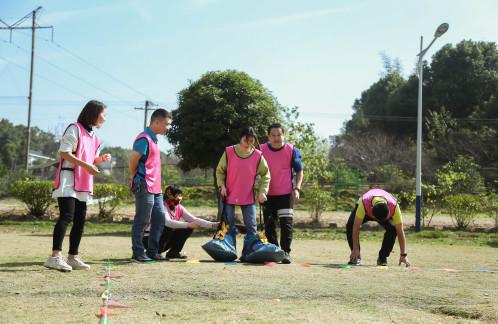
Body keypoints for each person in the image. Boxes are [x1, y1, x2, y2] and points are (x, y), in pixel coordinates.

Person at [44, 100, 111, 272]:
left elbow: (89, 158)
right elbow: (64, 153)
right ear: (94, 113)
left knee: (80, 220)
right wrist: (87, 166)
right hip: (68, 178)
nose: (104, 119)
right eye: (103, 115)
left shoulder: (95, 138)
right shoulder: (74, 128)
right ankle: (54, 257)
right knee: (67, 216)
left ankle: (73, 257)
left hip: (84, 181)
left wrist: (100, 159)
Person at [216, 127, 270, 259]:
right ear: (240, 138)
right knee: (227, 225)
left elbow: (266, 174)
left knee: (252, 226)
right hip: (228, 194)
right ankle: (227, 252)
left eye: (252, 140)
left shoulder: (258, 155)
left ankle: (249, 253)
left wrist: (263, 192)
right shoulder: (229, 151)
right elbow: (220, 170)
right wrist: (221, 185)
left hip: (248, 196)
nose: (249, 142)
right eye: (246, 139)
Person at [129, 108, 174, 262]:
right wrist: (137, 177)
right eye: (167, 124)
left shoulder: (154, 139)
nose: (168, 128)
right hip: (144, 185)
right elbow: (133, 161)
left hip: (156, 188)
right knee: (142, 219)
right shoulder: (144, 138)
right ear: (157, 121)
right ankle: (138, 252)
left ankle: (153, 251)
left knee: (160, 218)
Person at [260, 123, 303, 264]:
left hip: (286, 194)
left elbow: (299, 171)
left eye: (279, 134)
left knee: (286, 224)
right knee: (269, 225)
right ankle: (275, 252)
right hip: (267, 194)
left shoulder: (291, 150)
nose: (276, 138)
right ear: (268, 136)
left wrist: (297, 188)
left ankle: (285, 253)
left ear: (283, 135)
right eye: (273, 135)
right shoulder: (261, 150)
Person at [142, 184, 218, 259]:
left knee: (187, 228)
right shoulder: (162, 205)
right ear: (170, 196)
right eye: (177, 195)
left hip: (162, 239)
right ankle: (154, 252)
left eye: (180, 195)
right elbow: (168, 222)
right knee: (169, 227)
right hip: (148, 239)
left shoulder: (179, 208)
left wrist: (213, 225)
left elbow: (194, 220)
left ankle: (173, 253)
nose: (179, 198)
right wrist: (188, 224)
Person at [347, 188, 411, 267]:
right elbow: (356, 227)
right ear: (373, 216)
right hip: (366, 207)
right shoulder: (364, 203)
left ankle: (382, 258)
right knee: (350, 224)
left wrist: (403, 254)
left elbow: (400, 232)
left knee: (393, 229)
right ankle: (356, 256)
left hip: (383, 208)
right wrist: (355, 248)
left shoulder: (394, 207)